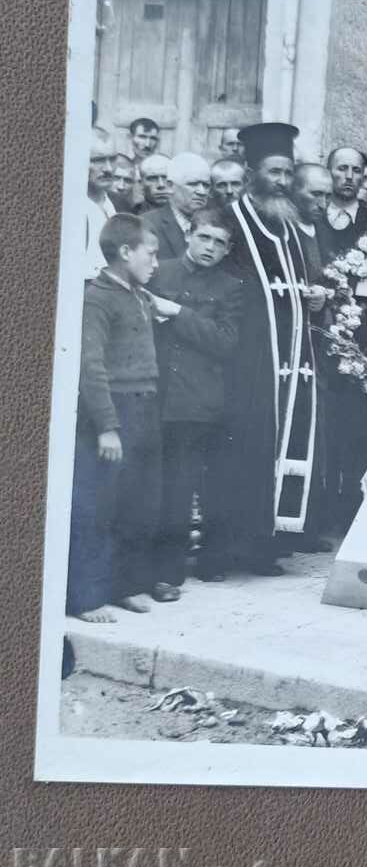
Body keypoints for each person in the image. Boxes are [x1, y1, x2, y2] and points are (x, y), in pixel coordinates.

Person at [222, 122, 324, 574]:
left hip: (292, 356)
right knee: (247, 446)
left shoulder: (289, 226)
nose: (282, 182)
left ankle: (267, 541)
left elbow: (299, 288)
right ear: (252, 172)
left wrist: (316, 297)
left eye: (287, 173)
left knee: (282, 441)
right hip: (250, 359)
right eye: (273, 172)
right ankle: (232, 545)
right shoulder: (231, 220)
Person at [68, 214, 165, 621]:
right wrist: (108, 426)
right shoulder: (97, 298)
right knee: (97, 506)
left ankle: (123, 586)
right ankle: (86, 598)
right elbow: (90, 367)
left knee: (136, 503)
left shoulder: (140, 296)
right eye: (151, 253)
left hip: (145, 409)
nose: (156, 263)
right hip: (112, 414)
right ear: (125, 252)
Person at [147, 208, 244, 588]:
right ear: (188, 233)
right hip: (152, 393)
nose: (210, 247)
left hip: (194, 404)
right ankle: (136, 570)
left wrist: (177, 312)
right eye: (204, 237)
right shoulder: (159, 271)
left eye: (219, 242)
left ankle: (167, 574)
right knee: (146, 486)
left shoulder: (231, 287)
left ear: (227, 249)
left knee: (178, 488)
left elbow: (226, 341)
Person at [142, 153, 211, 261]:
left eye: (206, 185)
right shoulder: (146, 224)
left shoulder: (217, 225)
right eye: (193, 184)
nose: (202, 192)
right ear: (170, 186)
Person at [85, 127, 119, 279]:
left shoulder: (121, 204)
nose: (109, 168)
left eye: (112, 159)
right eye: (98, 160)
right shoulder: (67, 209)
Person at [324, 147, 367, 254]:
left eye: (356, 170)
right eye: (342, 168)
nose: (349, 176)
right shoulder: (315, 214)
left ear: (363, 178)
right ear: (328, 172)